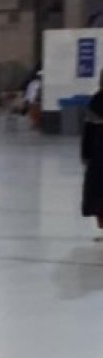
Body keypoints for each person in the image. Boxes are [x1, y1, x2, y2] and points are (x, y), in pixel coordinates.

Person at [82, 69, 103, 240]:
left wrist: (85, 153)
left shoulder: (97, 100)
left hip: (99, 154)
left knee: (98, 193)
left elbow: (88, 130)